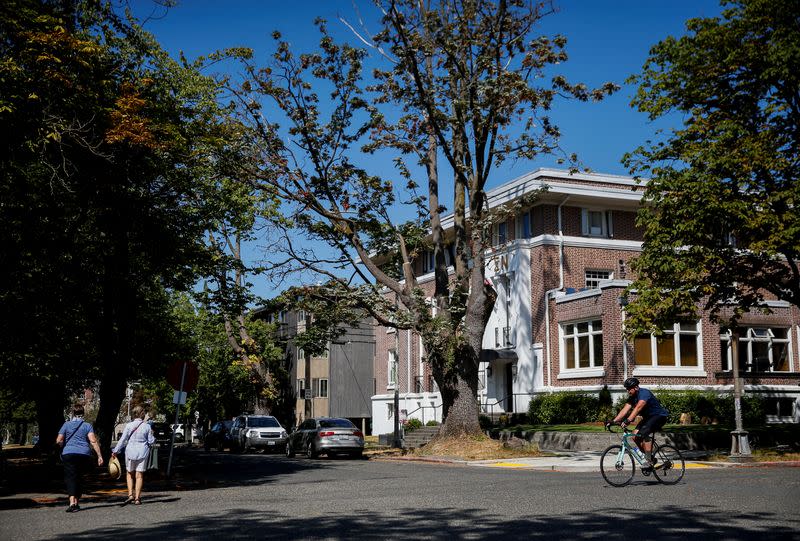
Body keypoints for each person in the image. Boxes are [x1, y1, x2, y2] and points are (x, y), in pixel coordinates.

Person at [607, 377, 669, 470]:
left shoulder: (644, 393)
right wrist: (613, 421)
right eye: (626, 389)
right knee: (634, 436)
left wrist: (628, 420)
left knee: (644, 434)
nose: (628, 391)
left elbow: (638, 408)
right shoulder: (632, 397)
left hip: (659, 416)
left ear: (636, 387)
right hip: (648, 418)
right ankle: (651, 457)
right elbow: (625, 409)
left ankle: (648, 461)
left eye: (629, 389)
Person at [56, 403, 104, 513]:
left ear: (73, 413)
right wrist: (99, 456)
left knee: (70, 477)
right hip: (84, 454)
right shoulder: (87, 426)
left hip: (68, 454)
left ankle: (72, 502)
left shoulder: (66, 425)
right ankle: (77, 502)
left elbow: (58, 440)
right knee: (79, 477)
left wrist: (62, 445)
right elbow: (93, 441)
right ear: (83, 413)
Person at [112, 405, 155, 505]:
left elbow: (122, 440)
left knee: (129, 473)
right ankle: (137, 498)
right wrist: (153, 435)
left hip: (130, 451)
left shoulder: (129, 426)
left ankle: (130, 494)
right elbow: (151, 441)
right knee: (139, 475)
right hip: (143, 452)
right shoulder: (147, 426)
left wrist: (115, 451)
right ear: (142, 414)